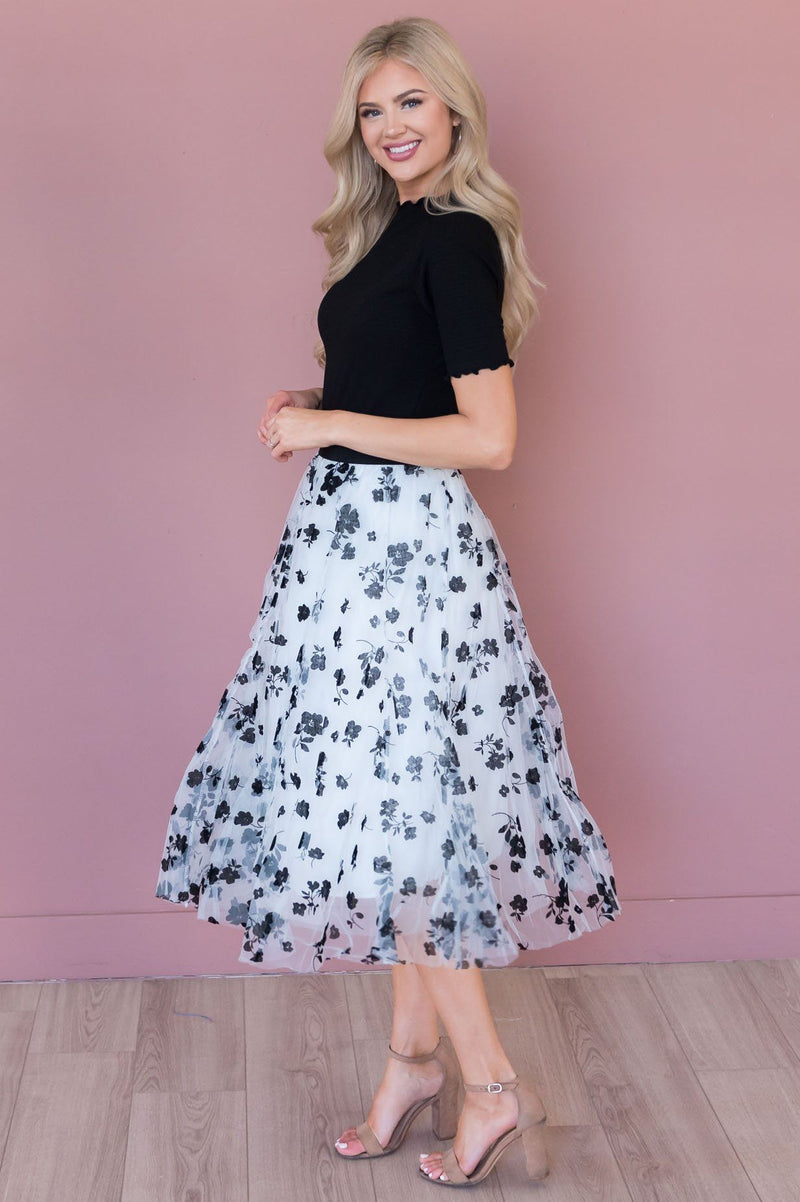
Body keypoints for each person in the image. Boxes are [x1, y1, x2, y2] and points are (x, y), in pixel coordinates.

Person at [155, 15, 622, 1187]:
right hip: (347, 546)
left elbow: (488, 436)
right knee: (392, 816)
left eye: (411, 101)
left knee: (400, 819)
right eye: (371, 110)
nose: (390, 126)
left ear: (454, 107)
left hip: (402, 561)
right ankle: (412, 1061)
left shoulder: (454, 238)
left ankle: (490, 1084)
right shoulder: (395, 233)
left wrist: (326, 423)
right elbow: (404, 389)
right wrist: (320, 400)